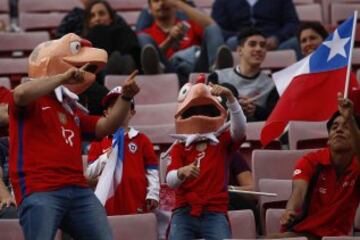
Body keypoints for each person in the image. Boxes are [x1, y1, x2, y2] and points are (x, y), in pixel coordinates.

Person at [9, 39, 140, 239]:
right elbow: (19, 95)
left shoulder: (71, 110)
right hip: (40, 188)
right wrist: (62, 77)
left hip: (78, 190)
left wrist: (126, 98)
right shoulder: (32, 101)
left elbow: (105, 127)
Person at [269, 93, 360, 239]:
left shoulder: (357, 166)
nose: (339, 130)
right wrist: (290, 209)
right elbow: (299, 190)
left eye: (346, 126)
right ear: (328, 140)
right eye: (334, 127)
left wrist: (351, 118)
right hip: (305, 234)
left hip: (338, 238)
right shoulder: (311, 160)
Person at [166, 82, 246, 239]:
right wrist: (182, 172)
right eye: (194, 112)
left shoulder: (222, 141)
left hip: (215, 211)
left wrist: (231, 98)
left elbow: (240, 130)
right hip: (184, 211)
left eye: (206, 112)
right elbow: (170, 181)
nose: (200, 115)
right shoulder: (179, 147)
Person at [85, 86, 160, 215]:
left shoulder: (142, 140)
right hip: (107, 203)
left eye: (124, 106)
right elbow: (90, 173)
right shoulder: (98, 141)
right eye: (113, 107)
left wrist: (153, 194)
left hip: (135, 199)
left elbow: (152, 171)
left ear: (132, 112)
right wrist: (105, 158)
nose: (118, 110)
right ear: (106, 113)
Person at [139, 0, 232, 85]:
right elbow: (150, 56)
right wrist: (169, 40)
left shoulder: (189, 24)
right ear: (150, 8)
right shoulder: (147, 34)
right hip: (168, 70)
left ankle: (218, 70)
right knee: (143, 39)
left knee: (212, 28)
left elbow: (212, 26)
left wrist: (179, 3)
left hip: (197, 69)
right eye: (156, 0)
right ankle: (156, 72)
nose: (161, 4)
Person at [208, 27, 279, 122]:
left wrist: (256, 110)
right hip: (222, 128)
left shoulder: (272, 85)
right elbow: (206, 109)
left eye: (262, 45)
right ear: (239, 50)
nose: (258, 49)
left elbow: (275, 118)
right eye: (252, 44)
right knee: (228, 88)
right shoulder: (217, 76)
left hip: (254, 130)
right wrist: (235, 104)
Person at [211, 0, 299, 53]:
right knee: (231, 42)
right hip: (238, 43)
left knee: (295, 42)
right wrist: (242, 39)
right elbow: (218, 29)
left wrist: (277, 38)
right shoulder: (223, 1)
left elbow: (292, 23)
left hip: (276, 44)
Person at [83, 0, 141, 74]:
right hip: (98, 74)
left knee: (127, 59)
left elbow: (133, 50)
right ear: (88, 23)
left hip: (129, 68)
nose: (97, 18)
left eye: (101, 14)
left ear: (111, 18)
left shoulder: (123, 30)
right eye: (92, 16)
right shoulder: (85, 40)